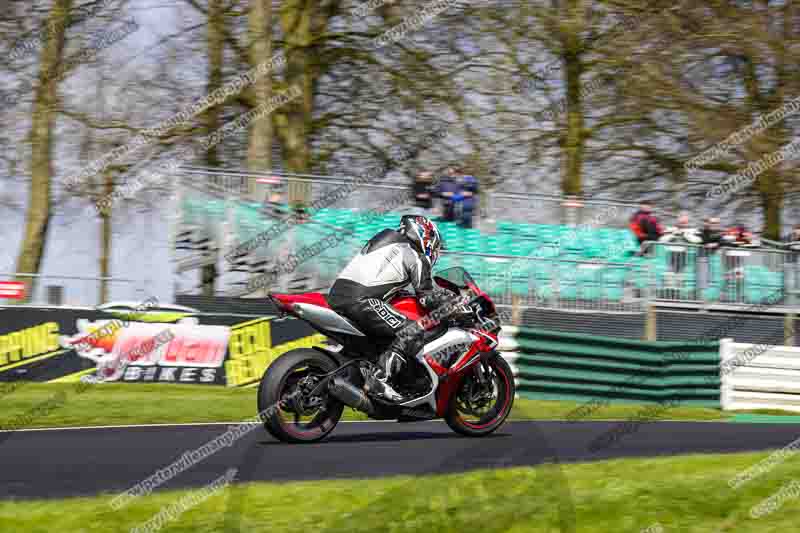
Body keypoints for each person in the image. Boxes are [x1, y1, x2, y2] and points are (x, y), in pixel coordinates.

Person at [327, 215, 451, 402]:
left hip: (337, 296)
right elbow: (426, 298)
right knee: (413, 331)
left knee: (376, 342)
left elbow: (380, 279)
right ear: (425, 236)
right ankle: (380, 379)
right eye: (434, 245)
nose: (434, 251)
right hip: (362, 300)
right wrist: (451, 303)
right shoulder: (414, 255)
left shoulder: (383, 240)